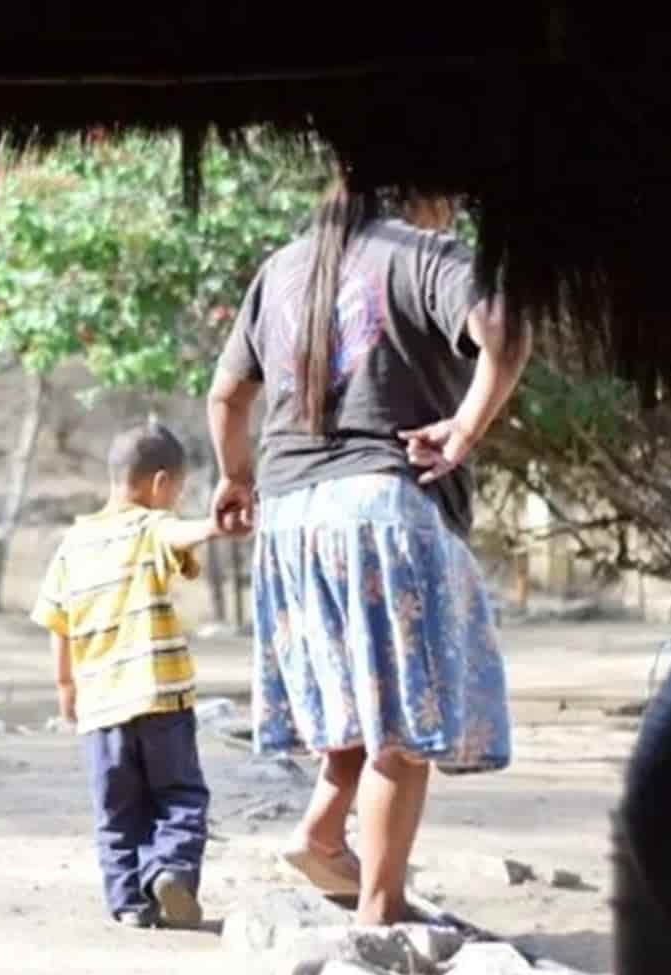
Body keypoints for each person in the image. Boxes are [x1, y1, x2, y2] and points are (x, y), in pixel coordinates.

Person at [207, 177, 532, 926]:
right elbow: (506, 329)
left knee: (359, 698)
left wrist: (235, 476)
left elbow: (226, 397)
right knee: (400, 728)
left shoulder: (283, 267)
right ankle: (381, 913)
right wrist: (465, 428)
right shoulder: (426, 254)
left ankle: (321, 836)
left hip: (290, 517)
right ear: (425, 194)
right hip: (383, 506)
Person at [31, 422, 220, 929]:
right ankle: (170, 870)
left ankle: (130, 904)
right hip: (160, 699)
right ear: (160, 483)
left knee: (116, 813)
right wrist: (213, 525)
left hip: (100, 708)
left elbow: (57, 625)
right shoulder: (150, 526)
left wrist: (66, 688)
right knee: (179, 794)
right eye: (177, 491)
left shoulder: (72, 545)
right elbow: (178, 532)